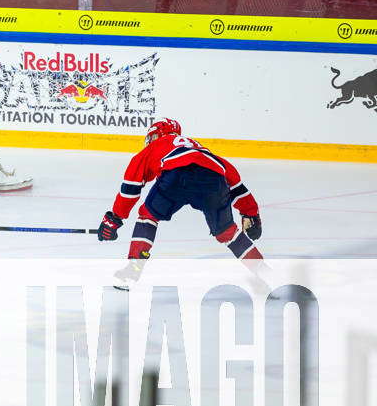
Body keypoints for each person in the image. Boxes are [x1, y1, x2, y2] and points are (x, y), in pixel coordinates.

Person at [97, 118, 263, 286]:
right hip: (214, 180)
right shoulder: (201, 150)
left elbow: (131, 187)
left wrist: (114, 218)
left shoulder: (158, 144)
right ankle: (265, 272)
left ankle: (132, 272)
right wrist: (251, 212)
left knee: (148, 217)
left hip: (176, 175)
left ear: (157, 135)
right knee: (228, 232)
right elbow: (235, 183)